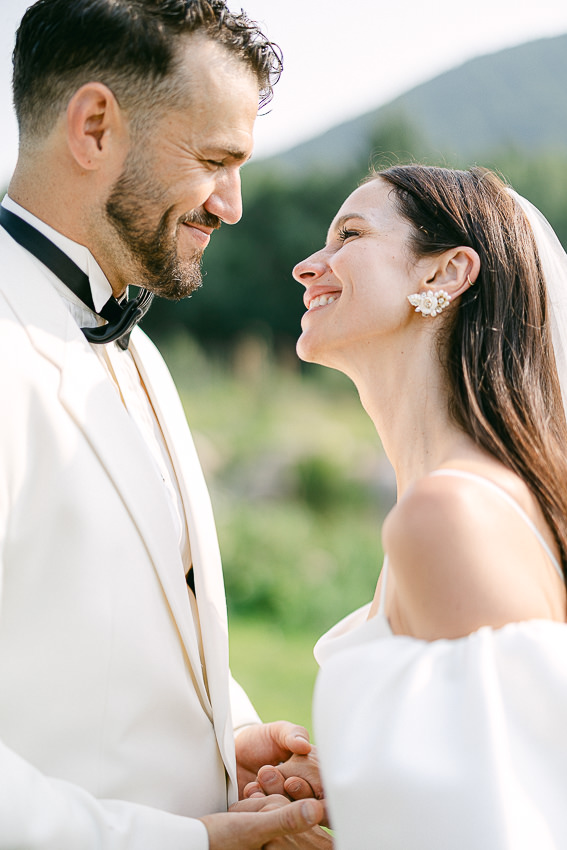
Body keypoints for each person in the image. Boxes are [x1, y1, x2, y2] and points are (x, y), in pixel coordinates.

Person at [0, 1, 330, 848]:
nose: (233, 205)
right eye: (215, 160)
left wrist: (224, 737)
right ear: (95, 127)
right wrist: (189, 841)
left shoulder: (141, 353)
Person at [249, 164, 567, 847]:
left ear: (444, 274)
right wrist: (363, 794)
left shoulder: (449, 516)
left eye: (349, 236)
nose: (308, 266)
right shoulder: (453, 503)